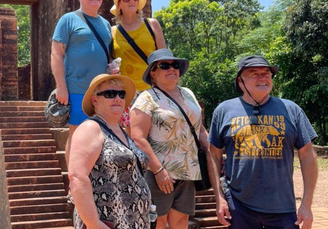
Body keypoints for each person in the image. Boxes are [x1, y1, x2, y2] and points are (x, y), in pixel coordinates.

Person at [208, 55, 318, 229]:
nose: (262, 77)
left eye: (266, 73)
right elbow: (213, 155)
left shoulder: (291, 109)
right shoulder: (224, 110)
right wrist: (219, 198)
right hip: (238, 206)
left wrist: (306, 204)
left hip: (282, 206)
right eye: (254, 73)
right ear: (240, 81)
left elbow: (307, 156)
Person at [130, 49, 210, 229]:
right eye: (164, 66)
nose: (172, 69)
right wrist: (158, 171)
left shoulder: (188, 93)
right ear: (153, 73)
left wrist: (215, 154)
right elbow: (137, 137)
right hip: (159, 172)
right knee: (157, 222)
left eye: (175, 65)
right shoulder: (146, 98)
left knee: (181, 221)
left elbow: (200, 129)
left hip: (188, 170)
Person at [68, 74, 151, 229]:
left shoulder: (122, 132)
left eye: (121, 94)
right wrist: (94, 224)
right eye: (110, 94)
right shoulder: (91, 128)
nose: (117, 98)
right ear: (95, 100)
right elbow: (77, 177)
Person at [50, 0, 112, 164]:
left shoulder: (106, 24)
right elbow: (56, 53)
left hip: (101, 90)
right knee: (77, 135)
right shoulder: (69, 20)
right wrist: (61, 87)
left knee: (100, 136)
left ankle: (94, 180)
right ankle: (74, 182)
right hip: (76, 88)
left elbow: (106, 56)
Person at [110, 0, 166, 133]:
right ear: (119, 4)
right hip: (127, 92)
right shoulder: (113, 32)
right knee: (132, 136)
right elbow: (110, 60)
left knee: (156, 133)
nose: (132, 1)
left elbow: (164, 58)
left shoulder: (151, 25)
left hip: (152, 89)